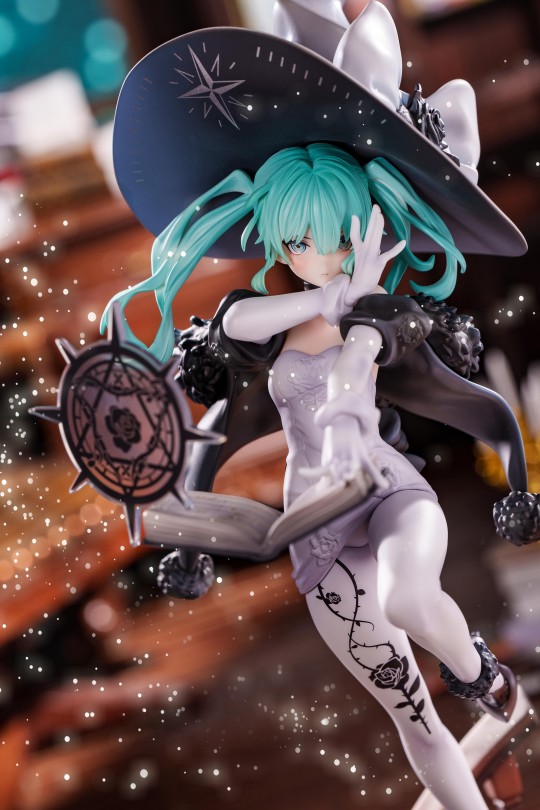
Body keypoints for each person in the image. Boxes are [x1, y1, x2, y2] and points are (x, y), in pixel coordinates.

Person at [95, 3, 538, 807]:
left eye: (332, 236)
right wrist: (324, 298)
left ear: (370, 223)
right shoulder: (265, 319)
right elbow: (236, 331)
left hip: (386, 489)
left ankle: (479, 670)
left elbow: (362, 362)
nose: (315, 254)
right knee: (412, 719)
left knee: (410, 597)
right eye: (298, 240)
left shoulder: (377, 318)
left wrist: (349, 345)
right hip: (314, 528)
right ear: (276, 237)